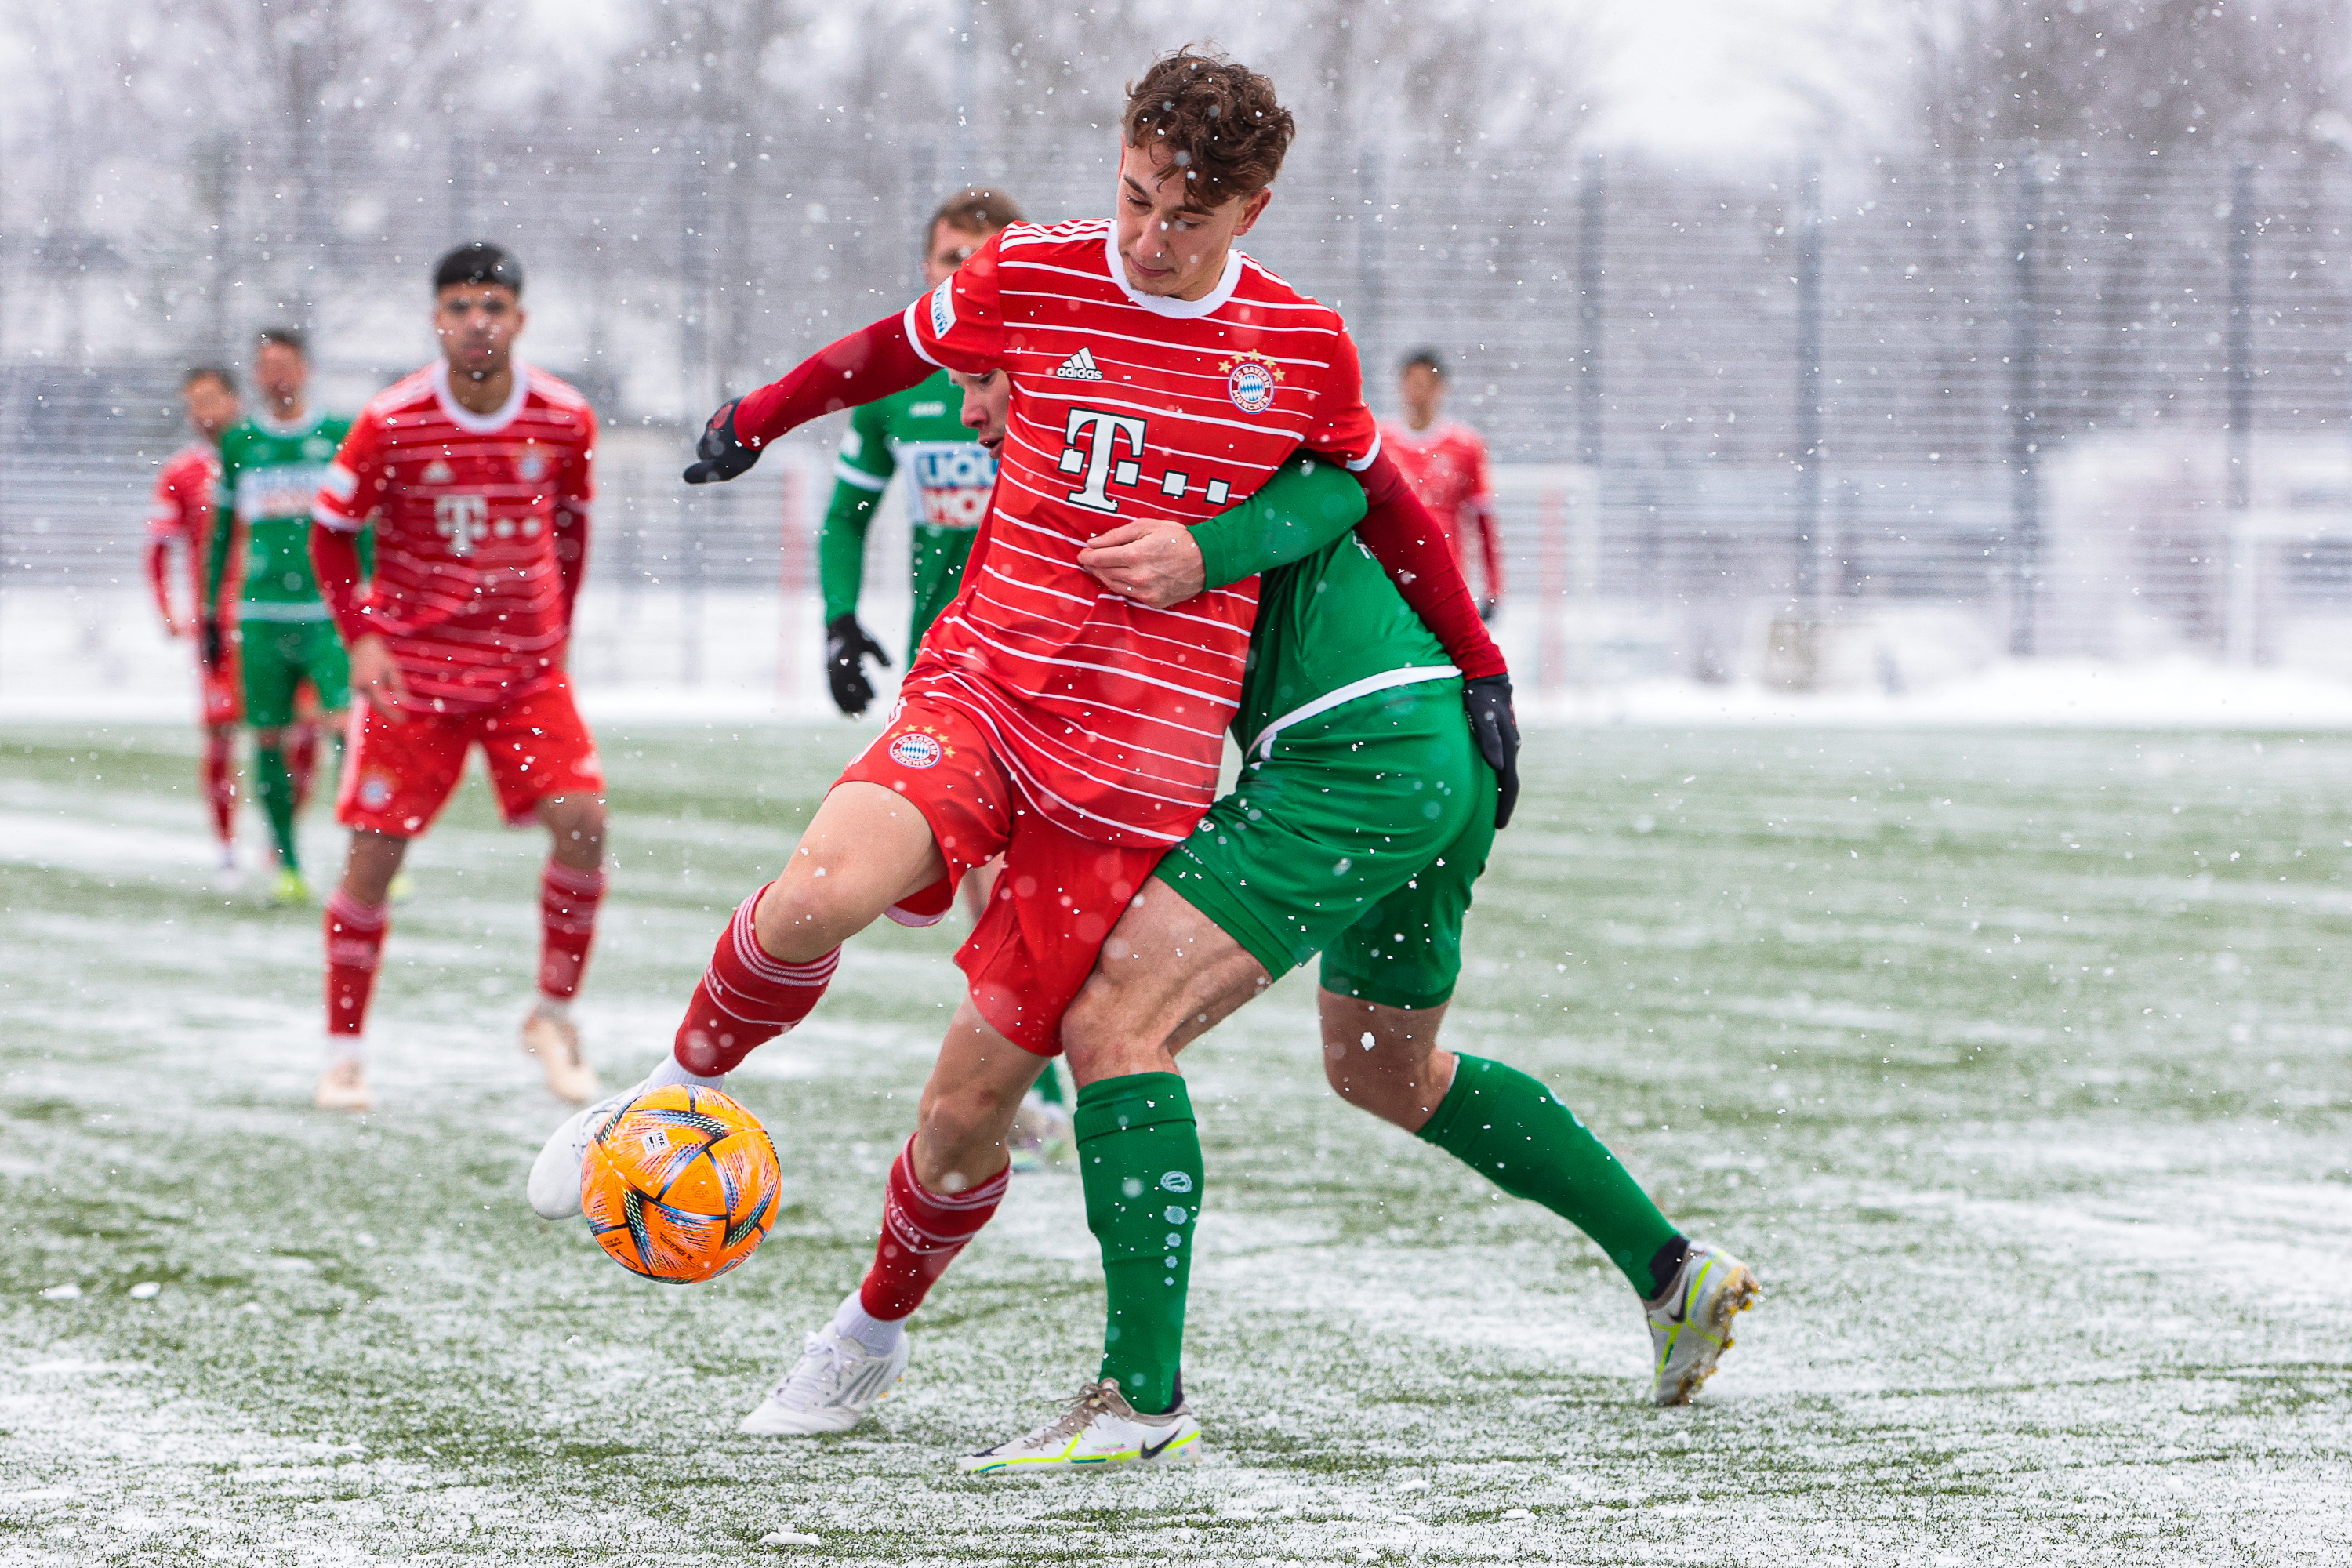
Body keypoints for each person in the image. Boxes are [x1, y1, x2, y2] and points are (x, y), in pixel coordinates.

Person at [527, 44, 1516, 1414]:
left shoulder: (1299, 346)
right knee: (817, 896)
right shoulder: (1037, 270)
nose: (1151, 239)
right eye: (1134, 198)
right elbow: (890, 345)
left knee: (966, 1112)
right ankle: (654, 1091)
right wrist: (758, 416)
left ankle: (866, 1335)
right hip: (984, 691)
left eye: (1187, 217)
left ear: (1252, 213)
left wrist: (1473, 662)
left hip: (1133, 777)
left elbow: (1375, 500)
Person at [726, 367, 1757, 1470]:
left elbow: (1345, 487)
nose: (967, 414)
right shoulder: (1103, 455)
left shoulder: (1157, 430)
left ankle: (1140, 1401)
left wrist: (1205, 559)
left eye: (986, 383)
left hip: (1348, 752)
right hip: (1426, 747)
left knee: (1115, 1024)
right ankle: (1669, 1269)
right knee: (1384, 1069)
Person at [307, 242, 605, 1114]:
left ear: (519, 318)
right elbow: (331, 532)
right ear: (439, 318)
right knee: (373, 859)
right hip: (417, 677)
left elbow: (573, 530)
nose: (478, 321)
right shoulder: (390, 421)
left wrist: (560, 633)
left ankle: (553, 1015)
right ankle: (343, 1054)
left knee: (584, 822)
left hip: (524, 672)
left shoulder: (564, 417)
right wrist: (360, 636)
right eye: (461, 306)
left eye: (494, 306)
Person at [815, 185, 1069, 1158]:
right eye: (947, 257)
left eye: (982, 256)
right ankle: (1029, 1081)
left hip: (1056, 667)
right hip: (954, 674)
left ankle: (1041, 1077)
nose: (963, 274)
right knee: (992, 880)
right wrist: (840, 620)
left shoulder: (1056, 378)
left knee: (1034, 885)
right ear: (925, 270)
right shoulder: (900, 393)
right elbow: (846, 517)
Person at [203, 328, 352, 903]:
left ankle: (370, 851)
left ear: (306, 369)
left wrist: (366, 595)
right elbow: (222, 535)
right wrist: (213, 612)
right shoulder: (240, 442)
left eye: (285, 363)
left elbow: (360, 528)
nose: (276, 376)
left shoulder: (337, 435)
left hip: (326, 613)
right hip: (263, 614)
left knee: (347, 731)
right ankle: (287, 863)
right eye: (265, 366)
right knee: (267, 738)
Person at [146, 365, 245, 881]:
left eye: (210, 399)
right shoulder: (182, 473)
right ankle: (227, 846)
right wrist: (168, 610)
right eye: (193, 402)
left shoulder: (265, 457)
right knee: (221, 736)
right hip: (218, 628)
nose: (202, 412)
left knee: (299, 734)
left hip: (275, 619)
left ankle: (282, 839)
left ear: (234, 401)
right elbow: (157, 551)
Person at [1381, 348, 1502, 619]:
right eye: (1412, 384)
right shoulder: (1379, 443)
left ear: (1441, 389)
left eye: (1426, 385)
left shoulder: (1466, 446)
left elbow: (1484, 523)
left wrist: (1493, 589)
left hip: (1446, 579)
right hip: (1388, 578)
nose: (1418, 394)